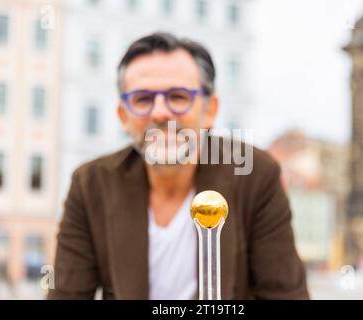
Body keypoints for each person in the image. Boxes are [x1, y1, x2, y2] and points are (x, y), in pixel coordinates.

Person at [47, 32, 309, 300]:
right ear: (123, 116)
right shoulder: (90, 185)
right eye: (142, 99)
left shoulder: (255, 174)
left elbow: (286, 295)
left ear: (210, 110)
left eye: (178, 96)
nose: (160, 112)